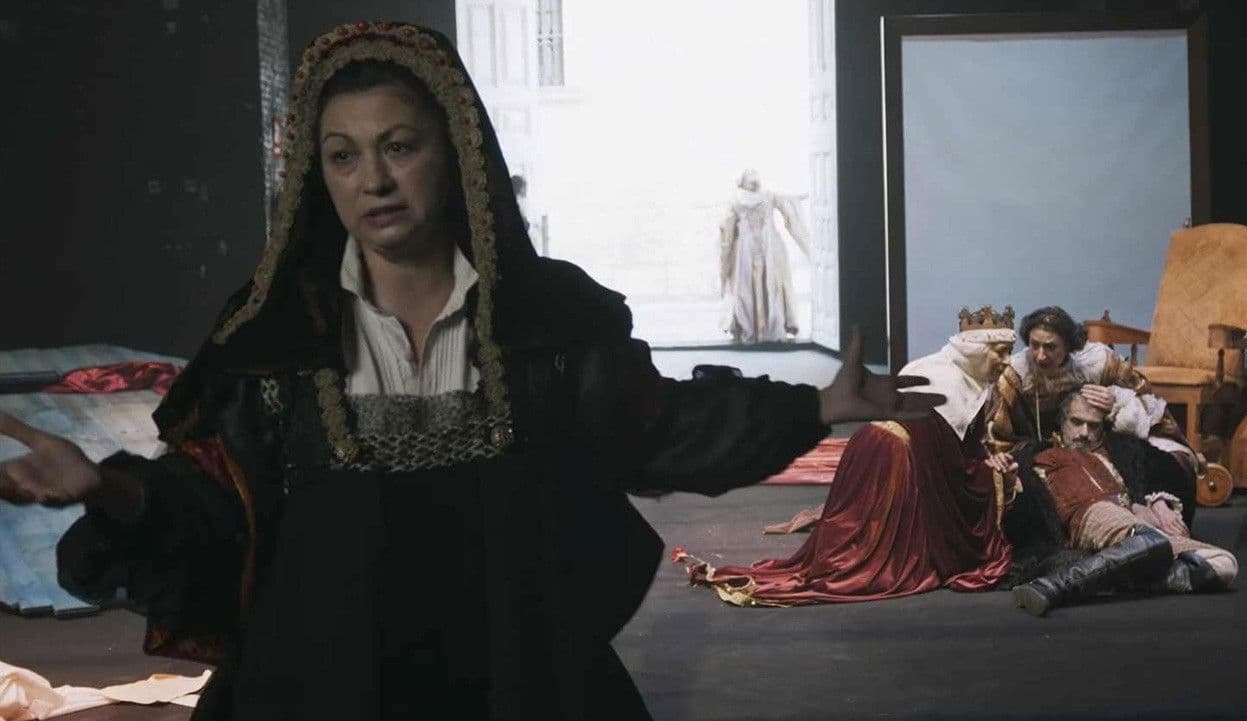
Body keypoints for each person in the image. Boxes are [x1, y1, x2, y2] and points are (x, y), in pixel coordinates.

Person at [0, 22, 943, 721]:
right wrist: (108, 487)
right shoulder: (277, 337)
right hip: (321, 682)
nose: (373, 180)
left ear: (454, 154)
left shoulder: (544, 322)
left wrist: (818, 404)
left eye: (399, 146)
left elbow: (653, 428)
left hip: (517, 676)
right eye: (343, 156)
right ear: (319, 176)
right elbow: (219, 509)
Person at [685, 306, 1016, 606]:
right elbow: (949, 469)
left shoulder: (938, 368)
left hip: (867, 447)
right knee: (870, 555)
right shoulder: (951, 386)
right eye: (999, 352)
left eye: (1009, 352)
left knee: (854, 537)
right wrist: (992, 475)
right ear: (975, 352)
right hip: (896, 463)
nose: (1005, 361)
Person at [991, 391, 1237, 617]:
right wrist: (1010, 481)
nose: (1084, 432)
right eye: (1076, 422)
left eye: (1093, 426)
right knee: (1150, 539)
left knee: (1224, 564)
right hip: (1090, 514)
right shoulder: (1040, 456)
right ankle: (1058, 585)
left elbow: (1162, 469)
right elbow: (1025, 510)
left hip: (1133, 523)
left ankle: (1089, 582)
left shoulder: (1119, 452)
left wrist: (1158, 502)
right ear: (1062, 423)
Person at [986, 306, 1198, 517]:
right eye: (1034, 345)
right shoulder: (1016, 375)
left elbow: (1143, 393)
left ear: (1068, 346)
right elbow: (998, 432)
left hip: (1098, 437)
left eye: (1050, 347)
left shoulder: (1096, 362)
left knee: (1164, 462)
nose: (1040, 356)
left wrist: (1115, 400)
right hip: (1037, 444)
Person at [719, 169, 811, 343]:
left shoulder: (739, 200)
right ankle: (764, 328)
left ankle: (755, 328)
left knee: (754, 286)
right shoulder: (765, 196)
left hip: (749, 246)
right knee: (765, 285)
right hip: (766, 244)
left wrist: (726, 251)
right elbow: (789, 204)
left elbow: (728, 230)